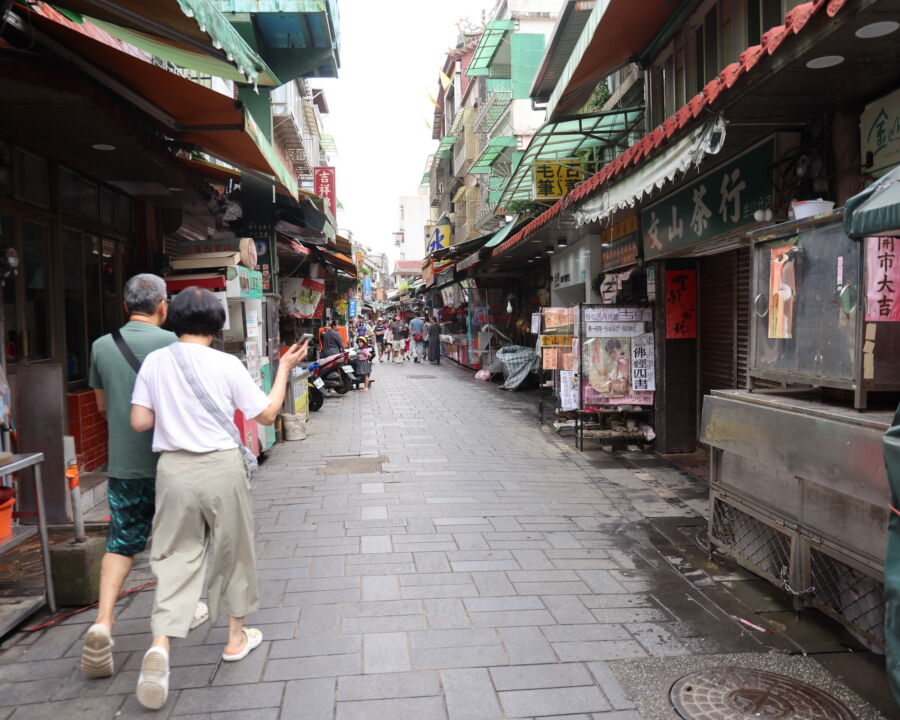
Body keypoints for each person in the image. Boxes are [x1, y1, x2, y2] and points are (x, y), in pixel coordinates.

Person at [129, 287, 308, 710]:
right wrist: (282, 368)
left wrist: (172, 411)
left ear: (171, 317)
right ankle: (234, 640)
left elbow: (139, 421)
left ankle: (160, 647)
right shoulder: (226, 364)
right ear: (217, 322)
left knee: (175, 556)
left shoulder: (156, 361)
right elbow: (265, 414)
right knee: (233, 551)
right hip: (221, 468)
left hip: (173, 470)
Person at [80, 274, 208, 679]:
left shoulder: (101, 346)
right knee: (176, 547)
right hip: (173, 464)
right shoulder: (175, 346)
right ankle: (160, 642)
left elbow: (101, 407)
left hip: (124, 466)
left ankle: (103, 621)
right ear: (163, 306)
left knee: (121, 542)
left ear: (125, 306)